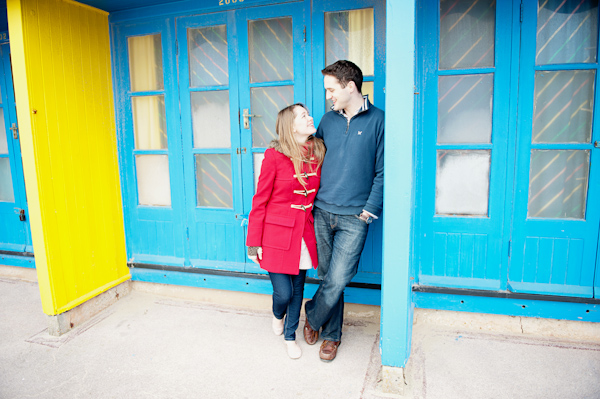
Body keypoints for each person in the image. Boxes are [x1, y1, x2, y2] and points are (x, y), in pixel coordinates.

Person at [303, 60, 384, 362]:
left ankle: (312, 314)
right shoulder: (327, 120)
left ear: (350, 87)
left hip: (355, 216)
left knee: (337, 278)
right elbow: (312, 159)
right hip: (322, 211)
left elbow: (382, 171)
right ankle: (331, 336)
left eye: (331, 89)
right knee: (327, 276)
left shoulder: (379, 121)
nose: (328, 96)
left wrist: (368, 211)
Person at [246, 103, 326, 359]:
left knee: (298, 290)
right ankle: (277, 314)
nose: (310, 117)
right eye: (303, 116)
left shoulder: (318, 152)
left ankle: (290, 337)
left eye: (308, 113)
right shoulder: (274, 156)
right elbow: (260, 201)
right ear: (290, 127)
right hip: (275, 234)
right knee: (284, 292)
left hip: (303, 232)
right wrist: (253, 241)